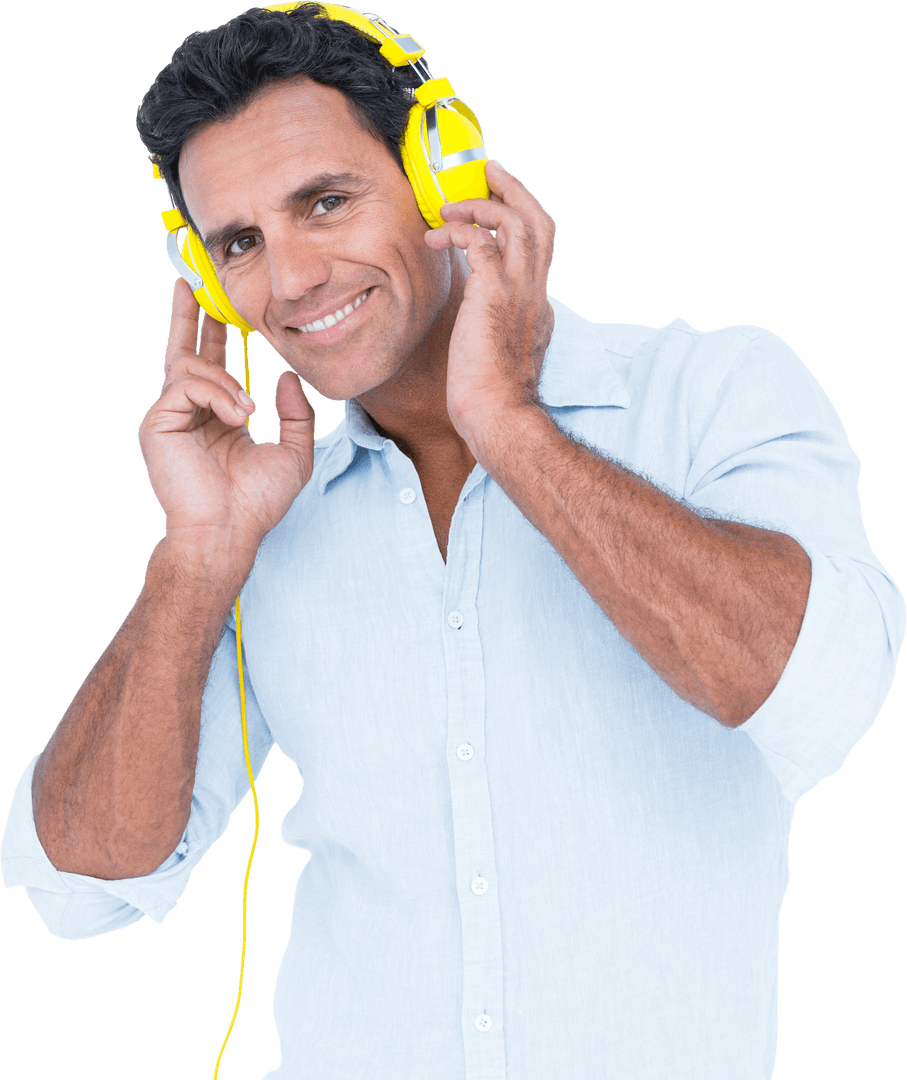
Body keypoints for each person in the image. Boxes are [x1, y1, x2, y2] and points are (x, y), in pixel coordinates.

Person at [1, 4, 903, 1078]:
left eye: (325, 202)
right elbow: (84, 883)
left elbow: (821, 693)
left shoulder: (710, 394)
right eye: (238, 243)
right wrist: (196, 553)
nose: (289, 281)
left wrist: (511, 425)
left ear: (445, 176)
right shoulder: (260, 514)